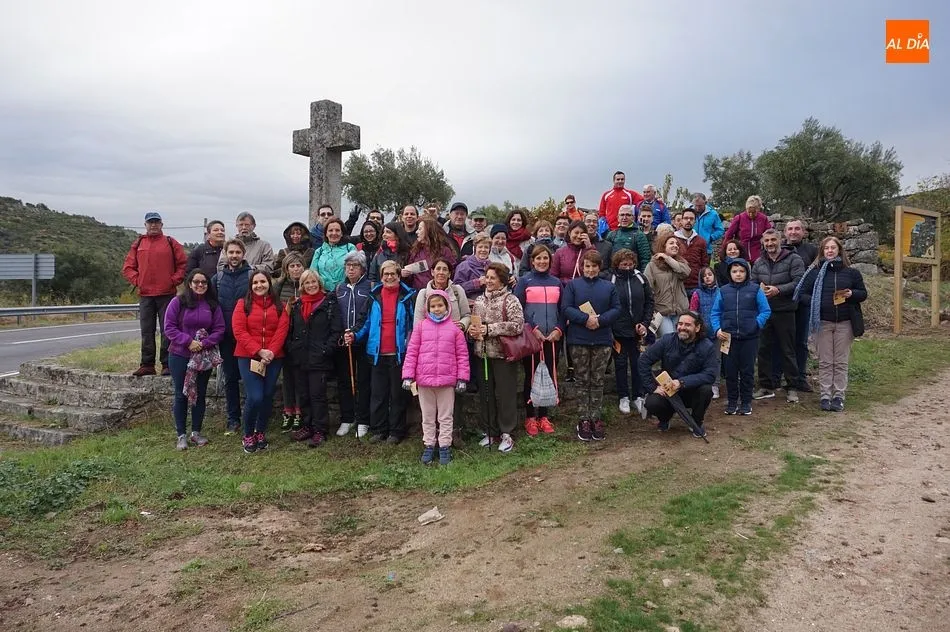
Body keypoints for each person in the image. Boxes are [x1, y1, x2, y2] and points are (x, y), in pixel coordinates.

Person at [346, 260, 416, 444]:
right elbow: (364, 322)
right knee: (378, 394)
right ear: (381, 276)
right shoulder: (374, 295)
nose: (390, 277)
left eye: (393, 274)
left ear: (399, 276)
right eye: (386, 274)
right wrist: (354, 334)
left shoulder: (408, 296)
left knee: (397, 395)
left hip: (399, 353)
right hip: (376, 353)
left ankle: (396, 431)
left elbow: (413, 324)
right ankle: (379, 429)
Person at [795, 236, 868, 412]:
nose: (829, 251)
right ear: (822, 251)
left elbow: (863, 294)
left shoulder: (852, 273)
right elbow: (801, 294)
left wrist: (852, 293)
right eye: (826, 248)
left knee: (841, 362)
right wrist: (815, 301)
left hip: (845, 323)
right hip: (823, 323)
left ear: (839, 250)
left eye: (833, 248)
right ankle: (825, 395)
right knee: (826, 361)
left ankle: (838, 396)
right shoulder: (814, 273)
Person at [402, 290, 470, 465]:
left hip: (447, 382)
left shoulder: (455, 330)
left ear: (447, 307)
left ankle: (445, 445)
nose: (437, 309)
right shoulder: (421, 327)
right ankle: (429, 445)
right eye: (433, 306)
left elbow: (462, 356)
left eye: (440, 305)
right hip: (425, 381)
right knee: (428, 416)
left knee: (446, 416)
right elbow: (412, 353)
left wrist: (462, 378)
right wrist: (408, 375)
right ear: (428, 308)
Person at [163, 269, 225, 450]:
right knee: (181, 394)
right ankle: (181, 434)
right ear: (189, 283)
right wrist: (188, 342)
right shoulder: (178, 302)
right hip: (180, 355)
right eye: (196, 282)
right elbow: (169, 327)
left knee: (200, 394)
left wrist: (204, 343)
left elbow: (219, 329)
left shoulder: (212, 305)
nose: (200, 285)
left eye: (204, 282)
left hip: (203, 357)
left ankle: (196, 432)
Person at [562, 251, 621, 441]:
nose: (590, 269)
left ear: (599, 266)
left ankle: (596, 418)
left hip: (602, 339)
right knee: (582, 380)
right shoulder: (572, 285)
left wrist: (601, 320)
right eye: (587, 265)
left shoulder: (609, 287)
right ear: (581, 266)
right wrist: (586, 319)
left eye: (594, 266)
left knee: (597, 380)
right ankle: (583, 419)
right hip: (579, 339)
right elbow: (566, 308)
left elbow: (617, 309)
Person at [122, 211, 188, 377]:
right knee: (147, 330)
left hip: (167, 294)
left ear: (161, 224)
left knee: (168, 330)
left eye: (156, 222)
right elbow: (128, 268)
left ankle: (167, 364)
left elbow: (183, 264)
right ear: (145, 225)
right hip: (145, 295)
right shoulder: (138, 243)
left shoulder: (170, 242)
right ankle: (147, 364)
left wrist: (173, 280)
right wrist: (139, 281)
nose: (153, 225)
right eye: (150, 222)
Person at [232, 271, 290, 453]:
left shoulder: (280, 306)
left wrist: (270, 352)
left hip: (273, 357)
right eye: (255, 282)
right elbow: (239, 331)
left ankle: (260, 431)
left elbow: (282, 330)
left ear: (269, 284)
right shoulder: (242, 305)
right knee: (255, 396)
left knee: (266, 396)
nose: (259, 285)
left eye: (263, 281)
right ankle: (248, 433)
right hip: (248, 356)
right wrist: (259, 350)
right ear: (251, 285)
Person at [469, 263, 525, 453]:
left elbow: (517, 325)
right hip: (482, 353)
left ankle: (507, 432)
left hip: (503, 355)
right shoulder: (479, 300)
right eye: (487, 277)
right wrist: (473, 331)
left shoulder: (510, 299)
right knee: (486, 394)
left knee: (505, 394)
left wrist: (490, 330)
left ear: (501, 279)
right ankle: (490, 430)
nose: (489, 281)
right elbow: (475, 324)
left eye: (493, 278)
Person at [284, 269, 342, 447]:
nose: (311, 285)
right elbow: (289, 330)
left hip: (320, 357)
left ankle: (320, 430)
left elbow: (336, 330)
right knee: (304, 395)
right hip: (300, 357)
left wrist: (326, 350)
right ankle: (307, 426)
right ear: (302, 286)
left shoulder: (329, 303)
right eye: (307, 283)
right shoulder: (297, 305)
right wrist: (292, 349)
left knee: (318, 395)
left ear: (319, 283)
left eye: (313, 282)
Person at [638, 311, 719, 436]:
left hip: (692, 391)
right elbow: (644, 361)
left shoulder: (707, 346)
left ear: (697, 328)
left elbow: (710, 374)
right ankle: (664, 419)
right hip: (668, 392)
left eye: (687, 325)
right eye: (680, 324)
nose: (682, 328)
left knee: (706, 390)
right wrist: (652, 387)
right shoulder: (667, 340)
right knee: (652, 402)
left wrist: (682, 383)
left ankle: (696, 421)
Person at [711, 259, 771, 416]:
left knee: (747, 371)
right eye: (734, 271)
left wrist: (756, 324)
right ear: (730, 273)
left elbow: (765, 310)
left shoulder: (755, 289)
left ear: (747, 273)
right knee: (730, 372)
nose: (738, 274)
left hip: (749, 338)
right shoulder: (723, 291)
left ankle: (745, 402)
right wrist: (717, 329)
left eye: (742, 271)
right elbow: (715, 312)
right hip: (728, 338)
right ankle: (732, 401)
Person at [751, 229, 805, 403]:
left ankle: (792, 387)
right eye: (766, 241)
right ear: (763, 243)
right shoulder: (759, 262)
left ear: (780, 240)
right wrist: (758, 288)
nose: (770, 244)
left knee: (788, 350)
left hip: (785, 310)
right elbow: (752, 282)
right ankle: (766, 386)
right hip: (764, 311)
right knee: (763, 349)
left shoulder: (793, 259)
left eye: (773, 240)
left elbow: (799, 282)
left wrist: (778, 290)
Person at [514, 244, 563, 437]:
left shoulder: (557, 282)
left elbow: (563, 308)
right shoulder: (525, 281)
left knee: (549, 375)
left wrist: (559, 329)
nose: (542, 262)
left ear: (550, 261)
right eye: (538, 258)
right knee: (532, 376)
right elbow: (519, 308)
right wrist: (533, 328)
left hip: (552, 338)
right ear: (532, 261)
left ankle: (544, 416)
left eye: (545, 258)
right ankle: (530, 417)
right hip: (532, 337)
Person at [332, 251, 373, 438]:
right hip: (344, 341)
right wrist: (343, 332)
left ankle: (363, 420)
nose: (350, 269)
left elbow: (368, 315)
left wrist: (355, 332)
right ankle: (347, 418)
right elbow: (336, 314)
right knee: (344, 381)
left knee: (363, 381)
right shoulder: (339, 288)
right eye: (348, 265)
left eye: (354, 266)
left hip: (362, 341)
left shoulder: (370, 287)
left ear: (362, 268)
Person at [213, 239, 251, 434]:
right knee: (230, 378)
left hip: (248, 337)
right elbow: (212, 307)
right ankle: (233, 418)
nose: (234, 255)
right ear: (226, 254)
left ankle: (253, 417)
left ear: (243, 254)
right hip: (227, 337)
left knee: (251, 377)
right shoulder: (217, 279)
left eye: (238, 252)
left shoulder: (253, 276)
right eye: (231, 252)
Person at [610, 249, 654, 417]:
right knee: (620, 364)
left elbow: (650, 302)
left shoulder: (641, 278)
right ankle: (623, 396)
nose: (627, 267)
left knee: (638, 364)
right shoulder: (612, 279)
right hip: (618, 331)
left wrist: (645, 323)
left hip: (638, 331)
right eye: (623, 264)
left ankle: (638, 395)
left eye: (630, 264)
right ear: (617, 264)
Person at [782, 219, 819, 391]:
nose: (794, 232)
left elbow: (817, 276)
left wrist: (810, 297)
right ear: (785, 232)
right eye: (790, 229)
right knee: (781, 341)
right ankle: (781, 377)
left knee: (801, 342)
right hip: (783, 302)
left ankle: (801, 378)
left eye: (797, 229)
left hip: (804, 303)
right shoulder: (780, 250)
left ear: (803, 232)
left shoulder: (812, 251)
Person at [274, 252, 306, 432]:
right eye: (292, 266)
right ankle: (288, 411)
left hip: (302, 338)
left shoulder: (307, 283)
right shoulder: (279, 286)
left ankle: (299, 411)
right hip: (284, 336)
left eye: (298, 265)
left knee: (300, 376)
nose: (295, 269)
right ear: (286, 269)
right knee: (288, 377)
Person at [645, 235, 690, 336]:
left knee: (680, 341)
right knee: (669, 339)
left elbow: (685, 272)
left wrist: (667, 258)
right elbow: (647, 288)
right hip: (662, 312)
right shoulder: (652, 265)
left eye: (677, 244)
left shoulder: (681, 263)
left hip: (680, 311)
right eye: (671, 243)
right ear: (663, 246)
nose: (675, 246)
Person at [688, 266, 721, 399]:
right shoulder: (697, 294)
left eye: (709, 274)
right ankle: (700, 383)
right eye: (704, 276)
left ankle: (715, 384)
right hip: (702, 332)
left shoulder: (721, 292)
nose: (707, 277)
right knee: (700, 358)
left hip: (718, 331)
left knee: (717, 359)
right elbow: (693, 312)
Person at [406, 217, 457, 290]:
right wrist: (405, 274)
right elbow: (411, 275)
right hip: (418, 294)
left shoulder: (444, 251)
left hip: (439, 294)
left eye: (420, 229)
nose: (417, 232)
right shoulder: (415, 250)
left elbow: (452, 273)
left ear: (429, 231)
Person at [310, 217, 356, 292]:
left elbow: (356, 271)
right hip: (323, 295)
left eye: (337, 230)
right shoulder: (319, 251)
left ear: (342, 233)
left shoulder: (350, 248)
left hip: (346, 293)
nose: (334, 233)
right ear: (326, 234)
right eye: (330, 230)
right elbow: (312, 274)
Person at [723, 195, 773, 264]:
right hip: (741, 253)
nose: (751, 214)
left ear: (758, 209)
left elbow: (769, 234)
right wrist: (723, 252)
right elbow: (728, 236)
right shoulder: (739, 218)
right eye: (748, 211)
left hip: (758, 253)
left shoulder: (763, 218)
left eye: (754, 212)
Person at [605, 205, 652, 272]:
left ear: (633, 218)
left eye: (628, 215)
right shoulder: (611, 234)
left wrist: (643, 277)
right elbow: (606, 257)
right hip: (614, 275)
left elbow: (645, 259)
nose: (624, 217)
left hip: (633, 276)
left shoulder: (639, 235)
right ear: (618, 218)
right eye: (622, 215)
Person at [674, 208, 710, 291]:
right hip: (678, 285)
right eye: (686, 218)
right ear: (681, 220)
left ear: (695, 221)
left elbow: (704, 264)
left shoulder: (701, 241)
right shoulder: (673, 240)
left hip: (696, 285)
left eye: (691, 219)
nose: (688, 221)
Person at [454, 234, 492, 300]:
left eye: (486, 247)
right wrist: (477, 283)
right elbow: (456, 289)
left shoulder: (492, 266)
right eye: (480, 247)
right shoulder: (464, 266)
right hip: (470, 304)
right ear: (475, 249)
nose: (483, 250)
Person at [691, 193, 724, 258]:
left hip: (706, 250)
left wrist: (711, 238)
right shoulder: (689, 213)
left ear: (705, 203)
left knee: (705, 268)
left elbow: (720, 230)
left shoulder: (713, 214)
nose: (697, 208)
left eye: (700, 206)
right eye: (695, 205)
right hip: (690, 249)